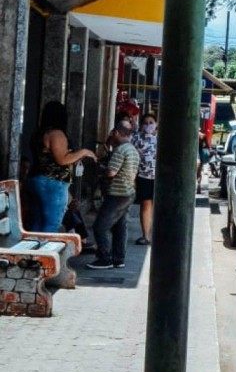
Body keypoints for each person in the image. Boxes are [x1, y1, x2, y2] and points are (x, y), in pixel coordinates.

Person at [26, 101, 95, 233]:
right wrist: (84, 152)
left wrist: (73, 156)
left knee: (37, 222)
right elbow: (62, 159)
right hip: (52, 183)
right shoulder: (57, 134)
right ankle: (45, 252)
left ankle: (32, 252)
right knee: (52, 224)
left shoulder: (38, 134)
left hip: (35, 179)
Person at [88, 125, 139, 270]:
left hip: (117, 194)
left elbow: (111, 172)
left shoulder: (120, 150)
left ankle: (105, 258)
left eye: (112, 133)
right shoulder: (132, 150)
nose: (110, 135)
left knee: (100, 226)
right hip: (128, 192)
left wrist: (100, 169)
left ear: (117, 133)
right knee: (119, 227)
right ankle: (118, 258)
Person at [131, 113, 158, 245]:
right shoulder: (136, 138)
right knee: (146, 204)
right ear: (141, 125)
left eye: (151, 122)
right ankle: (145, 235)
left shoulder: (161, 138)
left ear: (156, 124)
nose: (148, 125)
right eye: (145, 123)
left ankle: (155, 234)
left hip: (159, 177)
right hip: (143, 176)